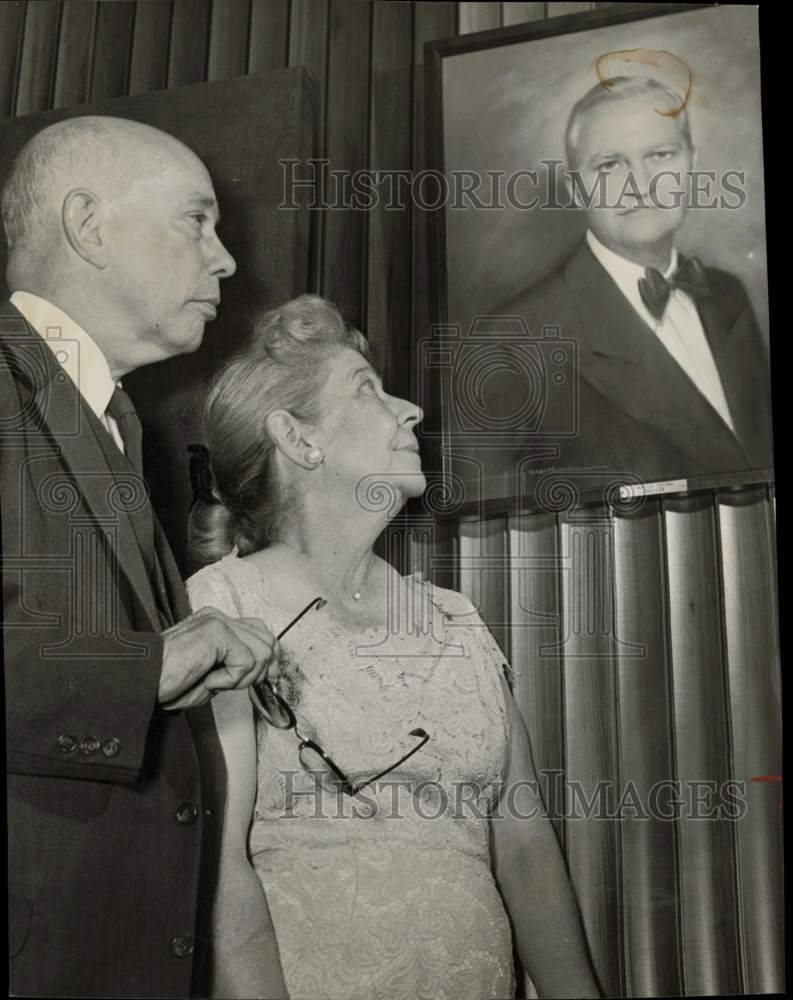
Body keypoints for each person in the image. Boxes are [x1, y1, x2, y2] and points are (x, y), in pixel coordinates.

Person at [186, 294, 601, 1000]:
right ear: (296, 437)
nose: (409, 410)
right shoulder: (220, 608)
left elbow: (525, 849)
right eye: (367, 390)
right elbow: (220, 871)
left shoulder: (454, 619)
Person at [1, 116, 286, 998]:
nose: (226, 259)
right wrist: (150, 666)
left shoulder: (115, 421)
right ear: (88, 226)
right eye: (194, 220)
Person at [499, 75, 773, 485]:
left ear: (692, 165)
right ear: (575, 187)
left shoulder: (727, 293)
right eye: (610, 164)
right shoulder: (511, 341)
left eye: (661, 155)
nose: (640, 185)